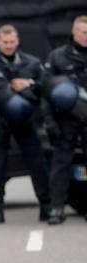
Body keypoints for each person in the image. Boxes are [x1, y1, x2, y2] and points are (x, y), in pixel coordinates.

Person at [0, 24, 50, 223]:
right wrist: (7, 88)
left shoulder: (31, 62)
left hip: (25, 120)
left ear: (17, 41)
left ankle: (45, 204)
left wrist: (28, 84)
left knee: (37, 163)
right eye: (5, 42)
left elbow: (46, 84)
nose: (9, 46)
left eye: (12, 42)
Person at [43, 16, 87, 225]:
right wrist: (50, 122)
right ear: (74, 33)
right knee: (61, 164)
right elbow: (47, 91)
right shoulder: (58, 57)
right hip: (66, 119)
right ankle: (57, 208)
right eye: (84, 32)